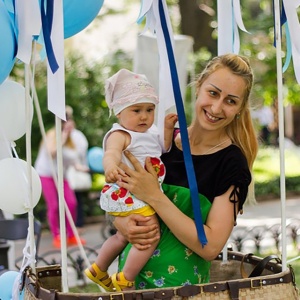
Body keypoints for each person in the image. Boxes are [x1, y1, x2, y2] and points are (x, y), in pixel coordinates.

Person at [112, 54, 259, 290]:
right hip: (127, 286)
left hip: (179, 292)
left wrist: (155, 197)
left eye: (230, 101)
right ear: (199, 87)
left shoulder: (231, 163)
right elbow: (120, 198)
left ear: (240, 108)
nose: (216, 107)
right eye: (213, 93)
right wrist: (122, 224)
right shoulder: (160, 142)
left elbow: (211, 246)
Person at [84, 69, 178, 291]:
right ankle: (126, 278)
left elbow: (163, 148)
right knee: (150, 234)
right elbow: (111, 153)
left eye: (149, 109)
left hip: (141, 193)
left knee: (122, 236)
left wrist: (166, 128)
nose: (144, 116)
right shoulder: (121, 134)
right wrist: (110, 167)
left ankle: (98, 268)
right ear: (119, 112)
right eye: (136, 110)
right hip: (129, 193)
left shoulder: (150, 132)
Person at [34, 112, 87, 248]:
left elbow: (72, 161)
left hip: (61, 176)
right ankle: (57, 235)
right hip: (47, 174)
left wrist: (84, 168)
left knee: (71, 203)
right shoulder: (53, 135)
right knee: (54, 206)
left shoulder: (71, 140)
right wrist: (62, 137)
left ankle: (71, 235)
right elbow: (52, 152)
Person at [65, 106, 91, 228]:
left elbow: (80, 152)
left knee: (76, 200)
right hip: (67, 172)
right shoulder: (62, 136)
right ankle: (70, 225)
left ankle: (78, 224)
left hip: (76, 170)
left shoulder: (77, 136)